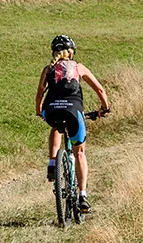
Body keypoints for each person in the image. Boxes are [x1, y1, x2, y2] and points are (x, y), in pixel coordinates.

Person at [35, 34, 110, 213]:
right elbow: (99, 89)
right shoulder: (78, 67)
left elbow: (39, 93)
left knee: (55, 127)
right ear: (71, 52)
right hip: (74, 112)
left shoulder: (48, 69)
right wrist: (104, 107)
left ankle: (53, 162)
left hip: (51, 110)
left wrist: (39, 111)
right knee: (80, 153)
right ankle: (82, 195)